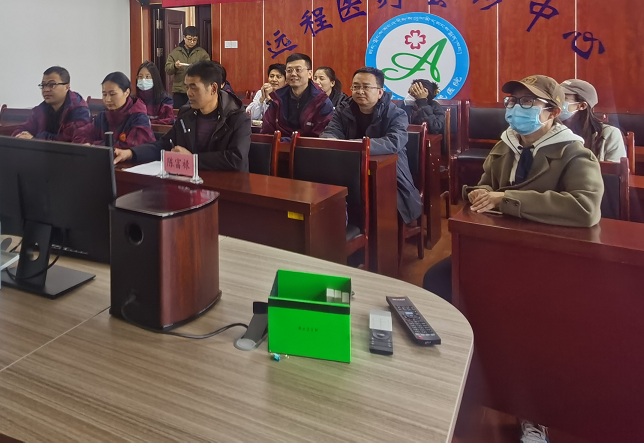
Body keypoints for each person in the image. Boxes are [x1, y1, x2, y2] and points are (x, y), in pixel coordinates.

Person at [321, 67, 422, 225]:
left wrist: (355, 145)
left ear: (380, 92)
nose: (360, 91)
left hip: (390, 174)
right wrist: (329, 140)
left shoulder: (397, 114)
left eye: (366, 87)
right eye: (356, 86)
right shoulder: (343, 110)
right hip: (349, 170)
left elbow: (393, 142)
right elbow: (330, 132)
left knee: (376, 205)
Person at [115, 61, 250, 172]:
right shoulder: (186, 114)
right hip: (191, 182)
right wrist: (130, 153)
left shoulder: (237, 118)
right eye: (187, 87)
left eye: (194, 87)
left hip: (228, 186)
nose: (189, 93)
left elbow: (236, 159)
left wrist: (192, 159)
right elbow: (164, 144)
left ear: (213, 88)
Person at [72, 72, 155, 148]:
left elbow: (130, 146)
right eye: (104, 94)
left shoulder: (139, 118)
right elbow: (79, 135)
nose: (107, 99)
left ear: (126, 92)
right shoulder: (103, 116)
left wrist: (94, 145)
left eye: (112, 94)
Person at [260, 53, 334, 138]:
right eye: (289, 70)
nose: (293, 74)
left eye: (298, 70)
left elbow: (321, 137)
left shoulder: (321, 101)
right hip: (278, 145)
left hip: (307, 146)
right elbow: (266, 131)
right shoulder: (278, 98)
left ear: (310, 74)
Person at [12, 66, 91, 142]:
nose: (46, 89)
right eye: (43, 85)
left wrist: (35, 139)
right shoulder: (43, 108)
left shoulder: (79, 110)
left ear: (67, 87)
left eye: (52, 85)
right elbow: (22, 129)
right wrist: (21, 135)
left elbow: (68, 141)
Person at [559, 79, 626, 162]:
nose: (556, 101)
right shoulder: (550, 130)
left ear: (582, 106)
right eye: (557, 97)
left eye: (564, 98)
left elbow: (614, 170)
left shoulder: (610, 134)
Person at [165, 26, 211, 109]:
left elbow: (208, 68)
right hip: (179, 90)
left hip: (196, 88)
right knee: (178, 112)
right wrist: (174, 66)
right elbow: (167, 69)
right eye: (189, 39)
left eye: (195, 40)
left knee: (195, 111)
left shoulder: (202, 53)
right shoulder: (175, 52)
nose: (192, 42)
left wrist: (199, 67)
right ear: (184, 37)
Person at [135, 61, 174, 125]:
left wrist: (147, 123)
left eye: (147, 77)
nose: (143, 80)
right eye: (140, 77)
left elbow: (168, 120)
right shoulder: (134, 100)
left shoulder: (165, 100)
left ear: (154, 78)